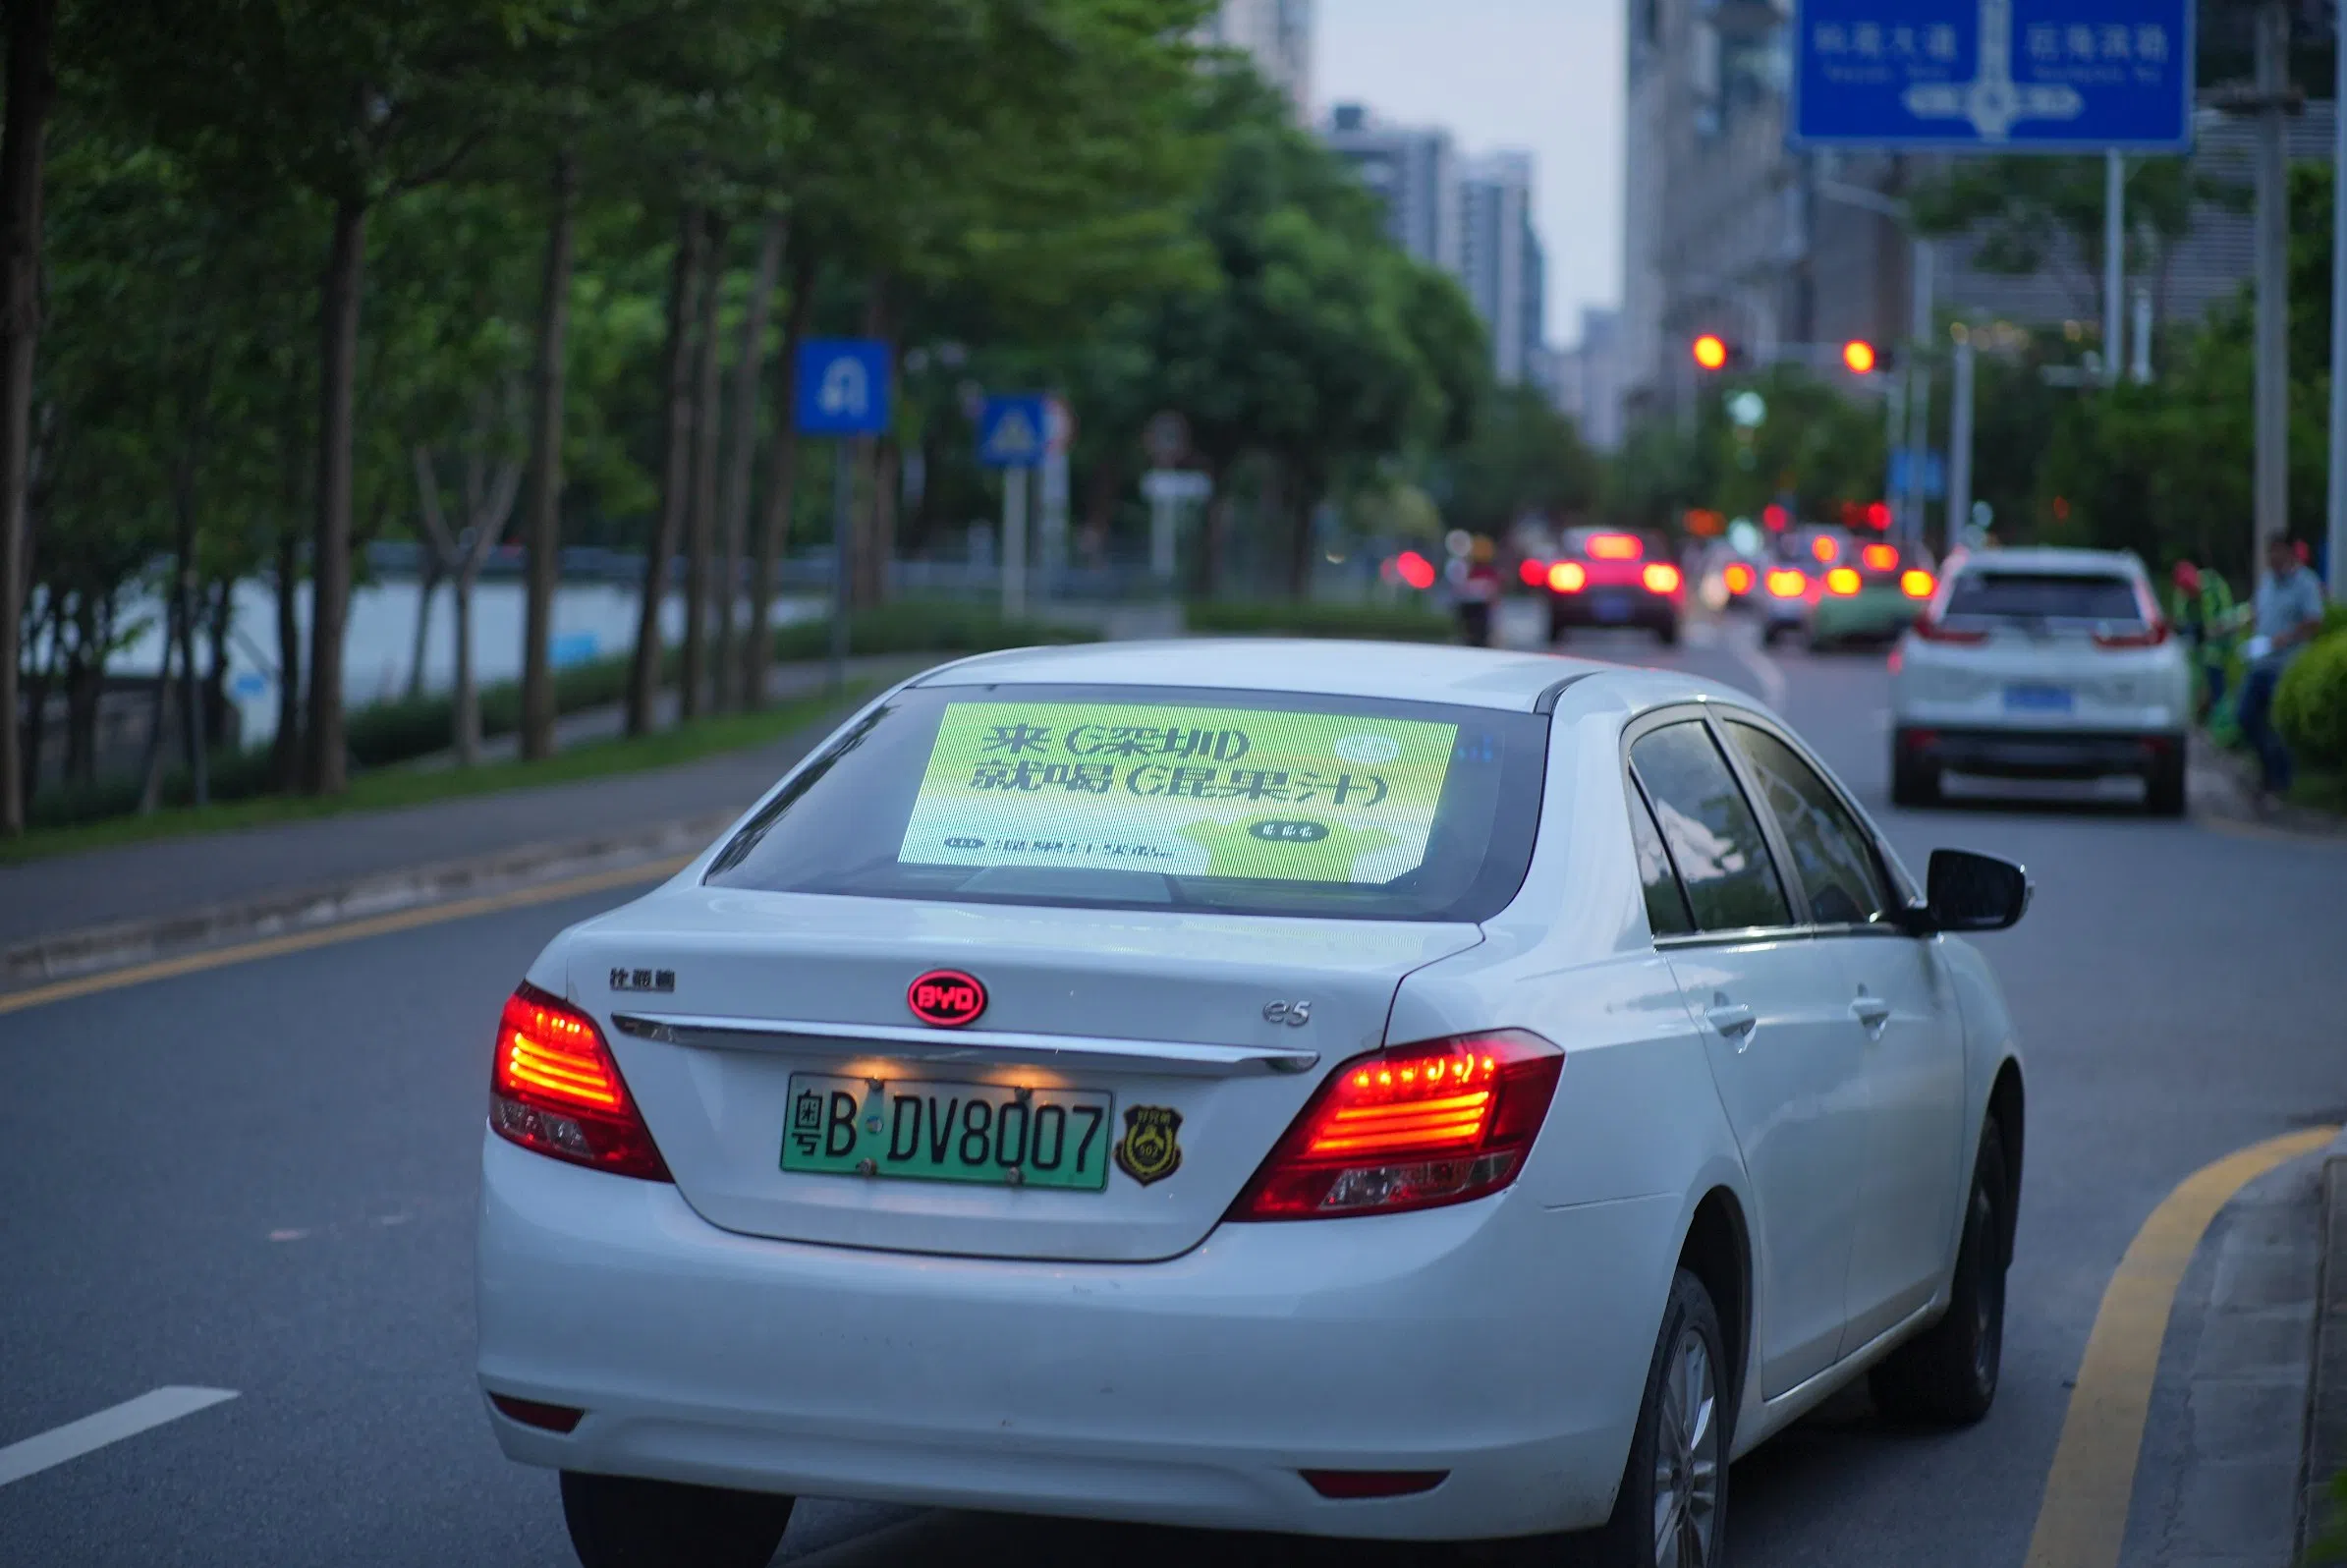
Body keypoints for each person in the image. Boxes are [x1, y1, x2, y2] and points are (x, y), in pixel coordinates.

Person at [2236, 534, 2330, 803]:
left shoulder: (2305, 583)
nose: (2273, 558)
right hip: (2260, 663)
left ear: (2290, 553)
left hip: (2286, 667)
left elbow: (2314, 621)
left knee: (2278, 727)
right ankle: (2266, 771)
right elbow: (2257, 612)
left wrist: (2287, 637)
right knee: (2245, 717)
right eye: (2270, 553)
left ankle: (2280, 783)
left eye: (2278, 552)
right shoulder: (2267, 583)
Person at [2166, 560, 2236, 720]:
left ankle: (2219, 714)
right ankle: (2201, 711)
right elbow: (2181, 621)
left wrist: (2214, 629)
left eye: (2192, 589)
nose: (2191, 593)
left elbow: (2227, 616)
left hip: (2221, 641)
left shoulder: (2213, 583)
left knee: (2216, 674)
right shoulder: (2182, 595)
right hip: (2198, 642)